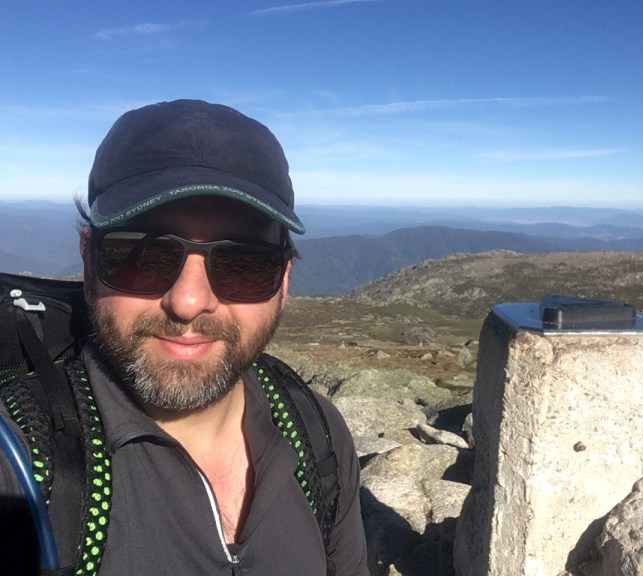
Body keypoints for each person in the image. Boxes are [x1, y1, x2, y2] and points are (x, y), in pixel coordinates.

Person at [0, 99, 369, 575]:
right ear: (88, 260)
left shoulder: (317, 434)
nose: (188, 302)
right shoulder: (26, 459)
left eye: (243, 263)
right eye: (141, 255)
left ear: (283, 280)